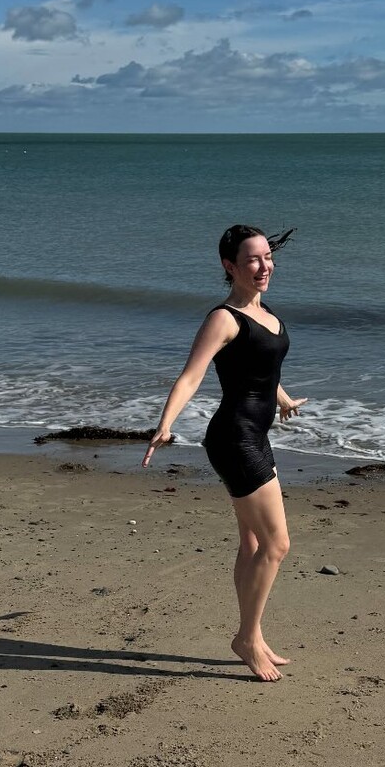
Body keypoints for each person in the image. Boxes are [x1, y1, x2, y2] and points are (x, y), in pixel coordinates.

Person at [142, 225, 306, 681]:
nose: (264, 265)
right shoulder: (224, 318)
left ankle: (253, 633)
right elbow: (191, 375)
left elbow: (261, 368)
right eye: (252, 259)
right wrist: (166, 424)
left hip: (254, 435)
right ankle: (246, 638)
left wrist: (282, 399)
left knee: (252, 542)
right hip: (235, 440)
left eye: (267, 256)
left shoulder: (264, 312)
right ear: (229, 266)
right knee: (277, 544)